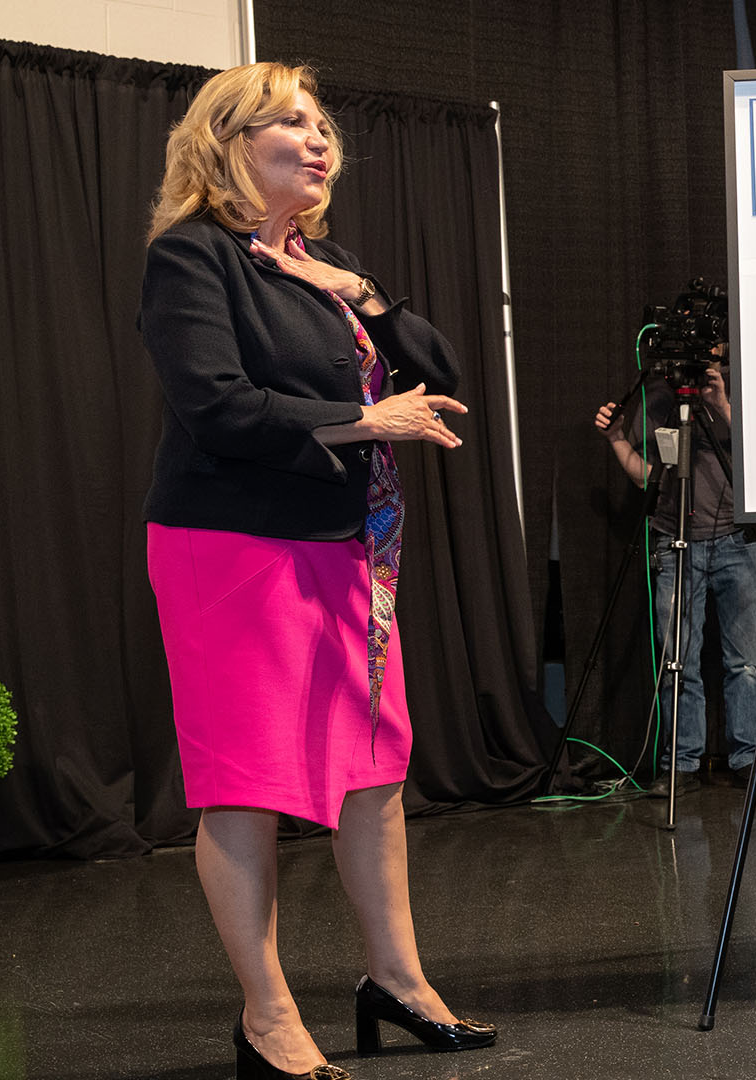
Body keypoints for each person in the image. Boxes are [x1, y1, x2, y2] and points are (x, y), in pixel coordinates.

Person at [140, 62, 495, 1079]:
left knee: (376, 768)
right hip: (233, 548)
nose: (317, 138)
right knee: (246, 779)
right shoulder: (193, 258)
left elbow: (441, 372)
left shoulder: (324, 263)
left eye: (320, 122)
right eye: (289, 121)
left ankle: (397, 980)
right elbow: (214, 403)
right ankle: (266, 1014)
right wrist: (358, 420)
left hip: (348, 549)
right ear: (228, 143)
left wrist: (363, 293)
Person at [595, 356, 756, 795]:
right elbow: (649, 478)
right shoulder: (659, 400)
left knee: (745, 665)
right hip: (676, 542)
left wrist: (720, 402)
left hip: (739, 539)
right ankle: (681, 764)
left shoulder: (743, 390)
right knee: (678, 661)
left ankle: (749, 760)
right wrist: (618, 439)